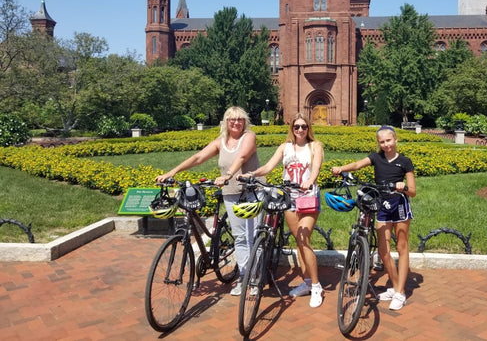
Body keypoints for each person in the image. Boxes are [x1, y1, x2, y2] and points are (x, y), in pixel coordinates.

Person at [156, 106, 259, 296]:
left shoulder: (249, 136)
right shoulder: (221, 142)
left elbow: (243, 156)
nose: (236, 122)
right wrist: (172, 172)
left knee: (251, 236)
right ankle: (244, 277)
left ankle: (255, 279)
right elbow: (198, 157)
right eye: (232, 119)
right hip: (230, 192)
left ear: (245, 122)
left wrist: (228, 174)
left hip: (252, 192)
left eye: (240, 119)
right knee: (240, 237)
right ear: (226, 122)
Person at [241, 113, 324, 308]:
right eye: (297, 127)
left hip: (308, 197)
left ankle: (317, 286)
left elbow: (316, 168)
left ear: (309, 128)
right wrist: (251, 174)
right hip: (289, 199)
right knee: (298, 241)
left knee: (304, 240)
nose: (300, 130)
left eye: (304, 126)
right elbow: (269, 167)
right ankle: (306, 283)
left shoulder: (315, 146)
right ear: (292, 129)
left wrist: (309, 181)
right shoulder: (285, 147)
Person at [331, 126, 416, 311]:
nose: (386, 144)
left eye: (388, 140)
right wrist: (340, 168)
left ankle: (401, 293)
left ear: (395, 140)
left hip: (400, 206)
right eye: (382, 141)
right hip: (382, 207)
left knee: (402, 248)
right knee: (383, 250)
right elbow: (357, 165)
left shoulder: (405, 162)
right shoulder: (376, 158)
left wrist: (403, 186)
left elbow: (413, 191)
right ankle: (395, 287)